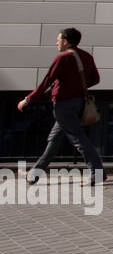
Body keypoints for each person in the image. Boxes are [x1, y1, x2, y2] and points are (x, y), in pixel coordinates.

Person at [16, 27, 105, 185]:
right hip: (78, 103)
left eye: (58, 40)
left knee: (79, 140)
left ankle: (97, 173)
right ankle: (34, 175)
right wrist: (78, 87)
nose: (56, 43)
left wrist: (28, 99)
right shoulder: (86, 56)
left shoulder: (62, 58)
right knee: (54, 140)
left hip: (63, 106)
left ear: (66, 41)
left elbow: (47, 81)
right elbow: (95, 79)